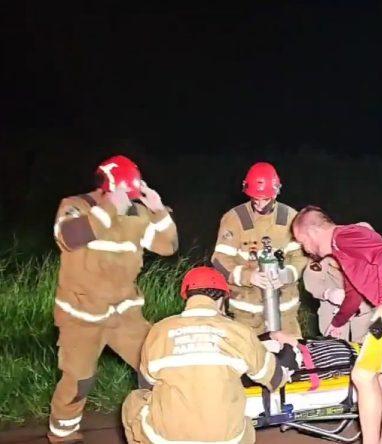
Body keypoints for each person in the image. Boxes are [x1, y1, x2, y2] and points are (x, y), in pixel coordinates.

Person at [48, 155, 178, 443]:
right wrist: (110, 208)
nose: (129, 199)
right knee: (79, 381)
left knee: (155, 366)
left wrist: (158, 211)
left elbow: (168, 246)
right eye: (126, 193)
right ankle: (63, 435)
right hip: (81, 316)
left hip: (126, 316)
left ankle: (161, 426)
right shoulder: (75, 206)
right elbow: (69, 237)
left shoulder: (136, 213)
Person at [292, 207, 382, 444]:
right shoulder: (341, 251)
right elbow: (354, 293)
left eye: (302, 241)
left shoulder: (344, 235)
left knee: (362, 374)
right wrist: (338, 322)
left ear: (314, 231)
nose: (304, 248)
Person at [121, 266, 294, 444]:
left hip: (165, 439)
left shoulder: (160, 330)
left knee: (134, 401)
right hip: (227, 440)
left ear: (187, 297)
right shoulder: (239, 331)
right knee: (241, 415)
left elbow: (147, 382)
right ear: (221, 300)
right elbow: (274, 378)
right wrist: (285, 369)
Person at [211, 162, 308, 337]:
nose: (260, 204)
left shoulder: (290, 217)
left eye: (265, 199)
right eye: (255, 199)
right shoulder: (234, 219)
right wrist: (249, 277)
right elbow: (219, 260)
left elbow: (300, 256)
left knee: (292, 353)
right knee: (247, 353)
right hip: (246, 315)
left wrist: (286, 274)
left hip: (285, 313)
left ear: (276, 192)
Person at [303, 254, 374, 343]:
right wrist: (327, 293)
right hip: (332, 313)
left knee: (368, 345)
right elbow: (311, 280)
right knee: (335, 346)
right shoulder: (321, 256)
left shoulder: (362, 252)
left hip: (364, 313)